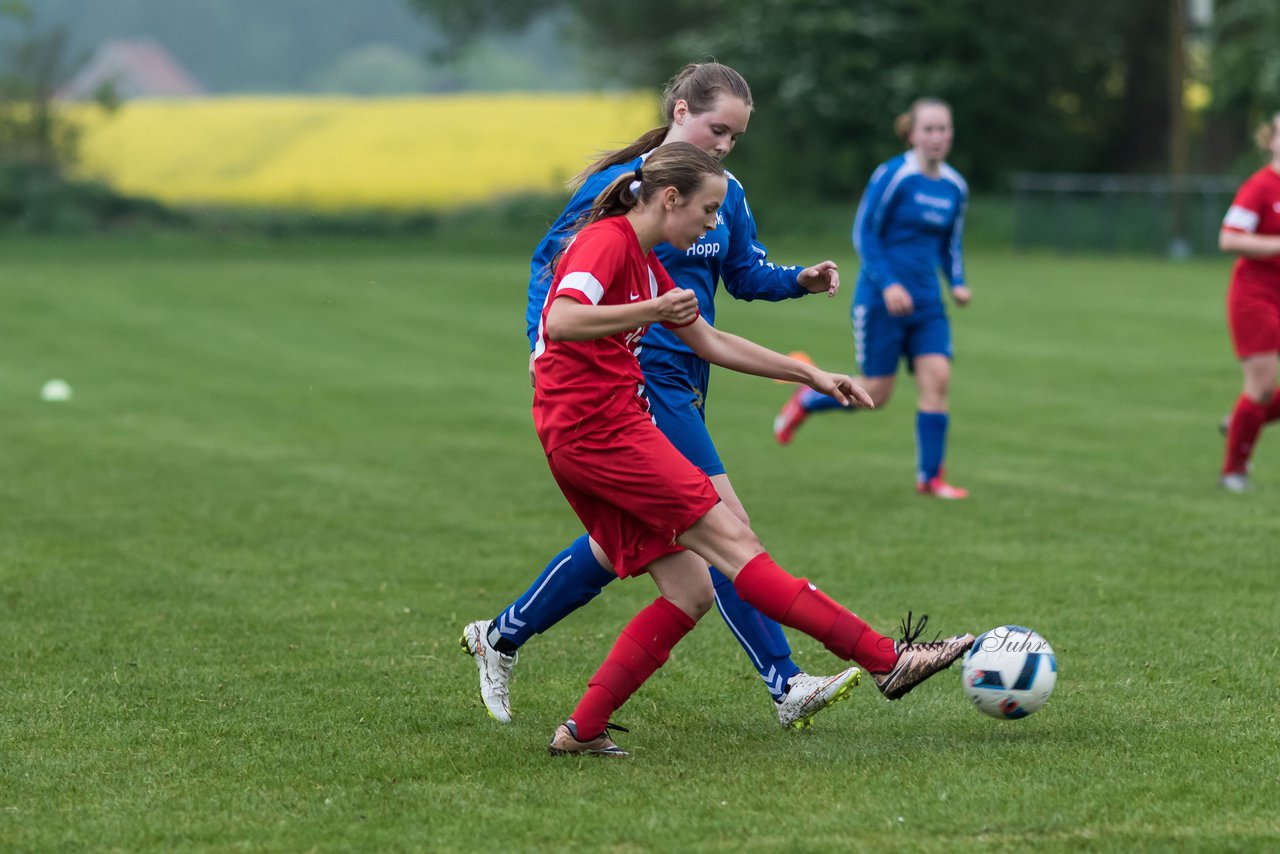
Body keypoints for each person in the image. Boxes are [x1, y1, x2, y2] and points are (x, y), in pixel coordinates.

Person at [528, 141, 974, 757]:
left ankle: (580, 731)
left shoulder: (646, 259)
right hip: (600, 434)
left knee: (691, 589)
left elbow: (710, 341)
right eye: (708, 211)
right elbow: (562, 320)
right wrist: (653, 308)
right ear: (670, 198)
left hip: (590, 433)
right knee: (737, 545)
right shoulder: (608, 243)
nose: (715, 224)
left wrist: (810, 377)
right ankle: (884, 658)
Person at [461, 62, 861, 731]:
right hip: (642, 381)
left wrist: (797, 280)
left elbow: (742, 273)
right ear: (680, 111)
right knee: (728, 532)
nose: (725, 148)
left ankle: (501, 636)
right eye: (716, 130)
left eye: (735, 138)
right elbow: (554, 269)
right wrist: (544, 350)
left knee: (625, 542)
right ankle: (786, 682)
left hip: (690, 372)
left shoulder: (724, 191)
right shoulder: (623, 190)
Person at [772, 98, 972, 499]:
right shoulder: (894, 175)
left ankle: (930, 479)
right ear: (912, 133)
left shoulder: (955, 186)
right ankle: (809, 399)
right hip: (881, 300)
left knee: (939, 379)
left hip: (927, 304)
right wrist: (889, 284)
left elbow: (950, 245)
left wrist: (957, 281)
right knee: (876, 395)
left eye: (943, 129)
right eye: (928, 129)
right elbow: (865, 234)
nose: (937, 137)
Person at [1218, 111, 1280, 493]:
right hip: (1255, 295)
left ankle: (1243, 418)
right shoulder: (1260, 186)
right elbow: (1229, 239)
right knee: (1261, 387)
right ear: (1271, 140)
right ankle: (1233, 471)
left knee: (1257, 400)